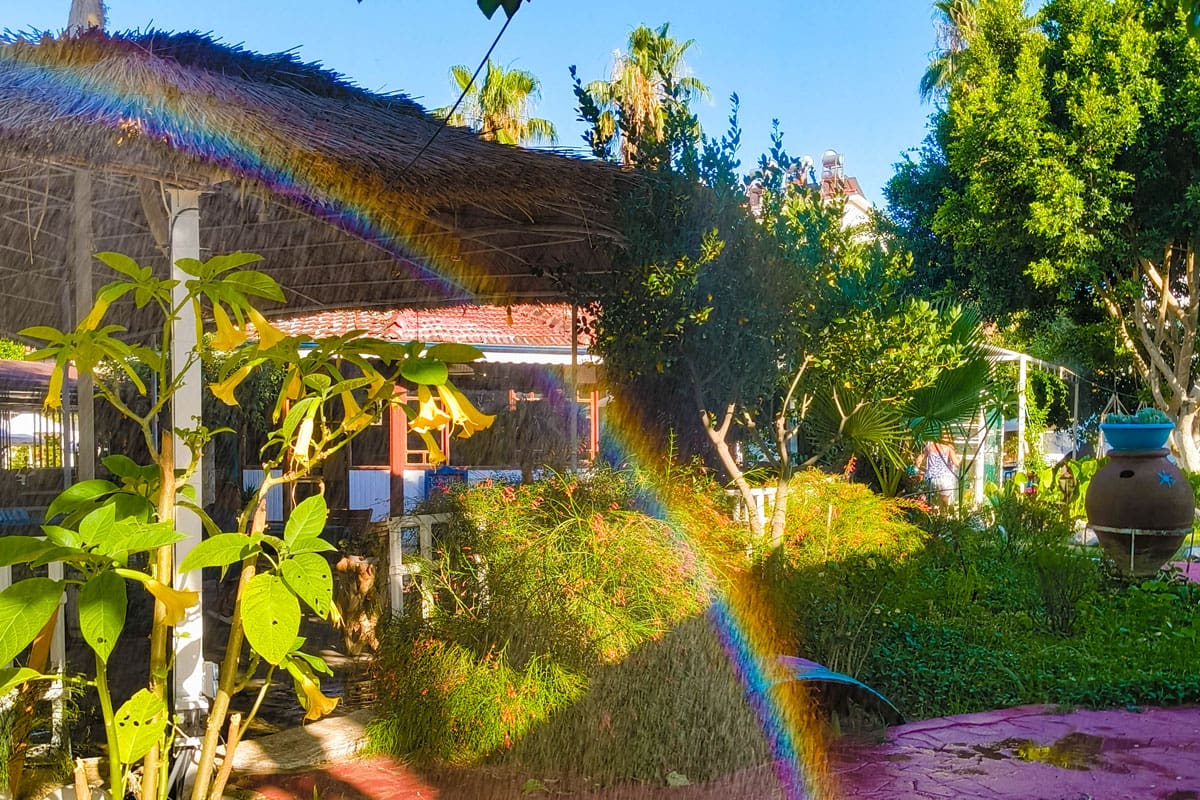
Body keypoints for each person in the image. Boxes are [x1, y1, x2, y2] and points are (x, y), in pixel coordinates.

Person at [919, 433, 960, 508]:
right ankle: (943, 515)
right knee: (944, 500)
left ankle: (932, 516)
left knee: (931, 502)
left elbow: (918, 460)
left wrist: (920, 470)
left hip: (931, 478)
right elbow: (956, 463)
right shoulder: (948, 449)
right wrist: (960, 458)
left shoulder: (929, 447)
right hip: (944, 479)